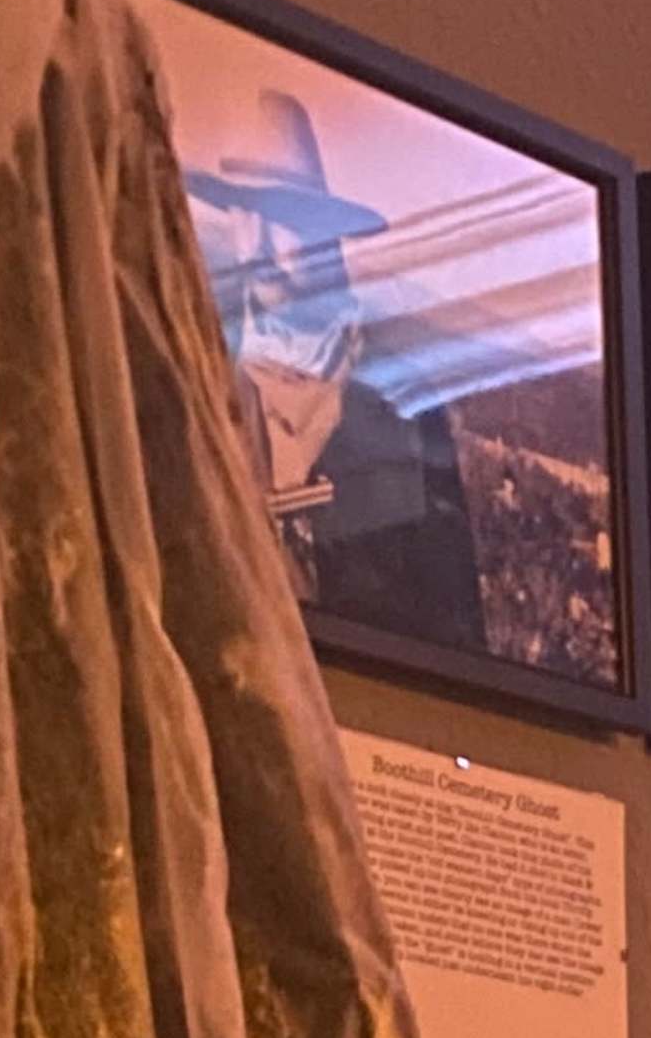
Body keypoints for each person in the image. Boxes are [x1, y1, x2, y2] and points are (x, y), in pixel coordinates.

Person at [187, 84, 486, 652]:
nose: (261, 242)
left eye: (285, 219)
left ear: (328, 236)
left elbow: (453, 620)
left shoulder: (400, 403)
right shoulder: (196, 375)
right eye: (246, 213)